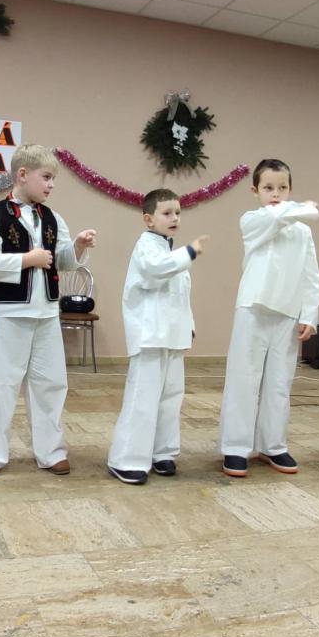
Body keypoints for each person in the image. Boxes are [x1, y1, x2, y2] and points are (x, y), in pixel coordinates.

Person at [0, 145, 96, 479]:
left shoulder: (53, 218)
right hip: (11, 313)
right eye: (47, 177)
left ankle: (51, 450)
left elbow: (63, 261)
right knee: (2, 383)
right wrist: (26, 260)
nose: (51, 184)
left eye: (54, 178)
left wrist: (78, 246)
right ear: (23, 175)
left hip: (47, 314)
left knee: (51, 383)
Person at [218, 158, 319, 478]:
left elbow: (311, 276)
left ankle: (273, 444)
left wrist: (309, 315)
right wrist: (303, 207)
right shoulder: (252, 220)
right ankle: (235, 446)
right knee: (243, 379)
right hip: (253, 308)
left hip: (287, 313)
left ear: (290, 189)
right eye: (268, 188)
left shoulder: (302, 231)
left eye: (282, 188)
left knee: (279, 382)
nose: (276, 194)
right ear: (255, 191)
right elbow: (278, 216)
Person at [106, 189, 207, 485]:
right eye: (167, 213)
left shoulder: (169, 250)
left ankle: (162, 451)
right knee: (143, 397)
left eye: (177, 212)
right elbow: (156, 271)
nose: (174, 218)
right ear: (149, 219)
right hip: (150, 335)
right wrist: (189, 252)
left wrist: (189, 324)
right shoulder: (147, 247)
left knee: (171, 397)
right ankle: (126, 459)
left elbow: (181, 294)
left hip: (173, 335)